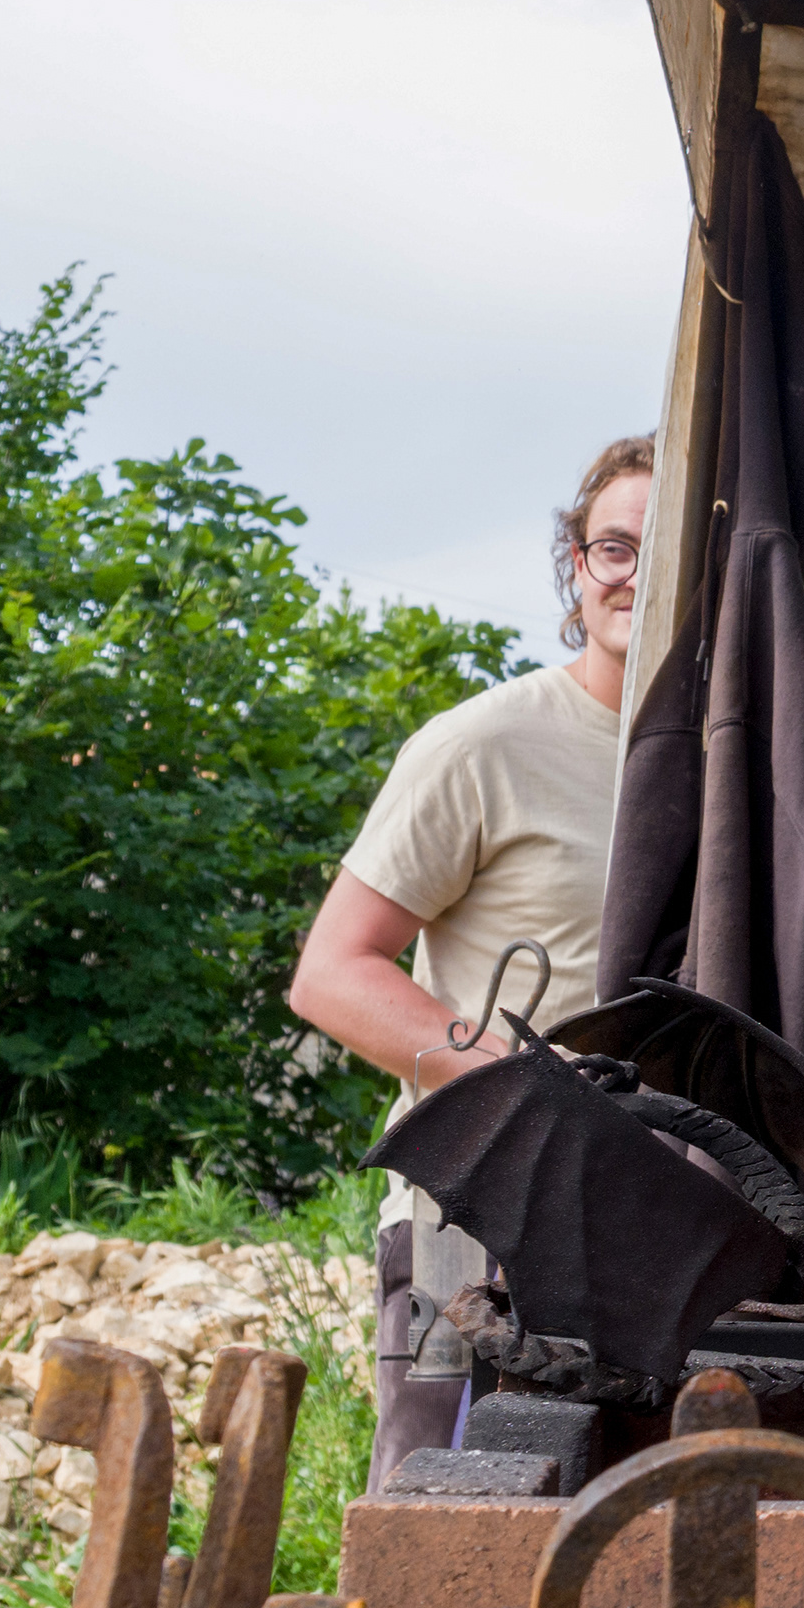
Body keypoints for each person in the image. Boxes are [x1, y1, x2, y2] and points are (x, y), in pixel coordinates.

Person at [291, 434, 654, 1487]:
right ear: (576, 568)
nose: (635, 574)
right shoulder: (483, 745)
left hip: (657, 1234)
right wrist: (526, 1079)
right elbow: (333, 972)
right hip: (476, 1229)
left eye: (667, 549)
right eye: (614, 547)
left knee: (622, 1543)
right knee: (443, 1536)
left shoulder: (736, 760)